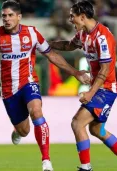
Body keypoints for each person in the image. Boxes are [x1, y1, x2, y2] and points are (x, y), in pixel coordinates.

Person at [0, 1, 90, 171]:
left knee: (36, 111)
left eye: (10, 15)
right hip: (7, 90)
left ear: (19, 17)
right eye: (4, 16)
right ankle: (17, 131)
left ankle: (46, 162)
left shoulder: (32, 33)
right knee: (24, 130)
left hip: (29, 82)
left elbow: (51, 54)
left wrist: (75, 72)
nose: (6, 19)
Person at [49, 1, 117, 170]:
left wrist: (90, 93)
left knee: (77, 123)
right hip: (100, 88)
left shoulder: (102, 37)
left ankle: (86, 167)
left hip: (106, 88)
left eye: (73, 16)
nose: (70, 20)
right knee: (97, 130)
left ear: (83, 16)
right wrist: (47, 45)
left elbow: (105, 68)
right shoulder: (83, 35)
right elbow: (69, 46)